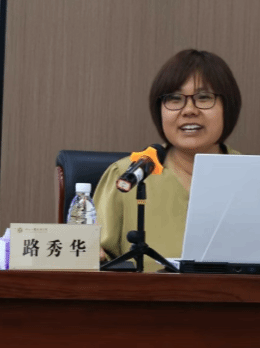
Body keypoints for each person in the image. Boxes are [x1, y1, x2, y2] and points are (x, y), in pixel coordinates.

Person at [94, 49, 242, 271]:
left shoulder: (254, 178)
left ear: (227, 107)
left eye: (204, 98)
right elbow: (89, 259)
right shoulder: (128, 176)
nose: (189, 110)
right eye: (174, 99)